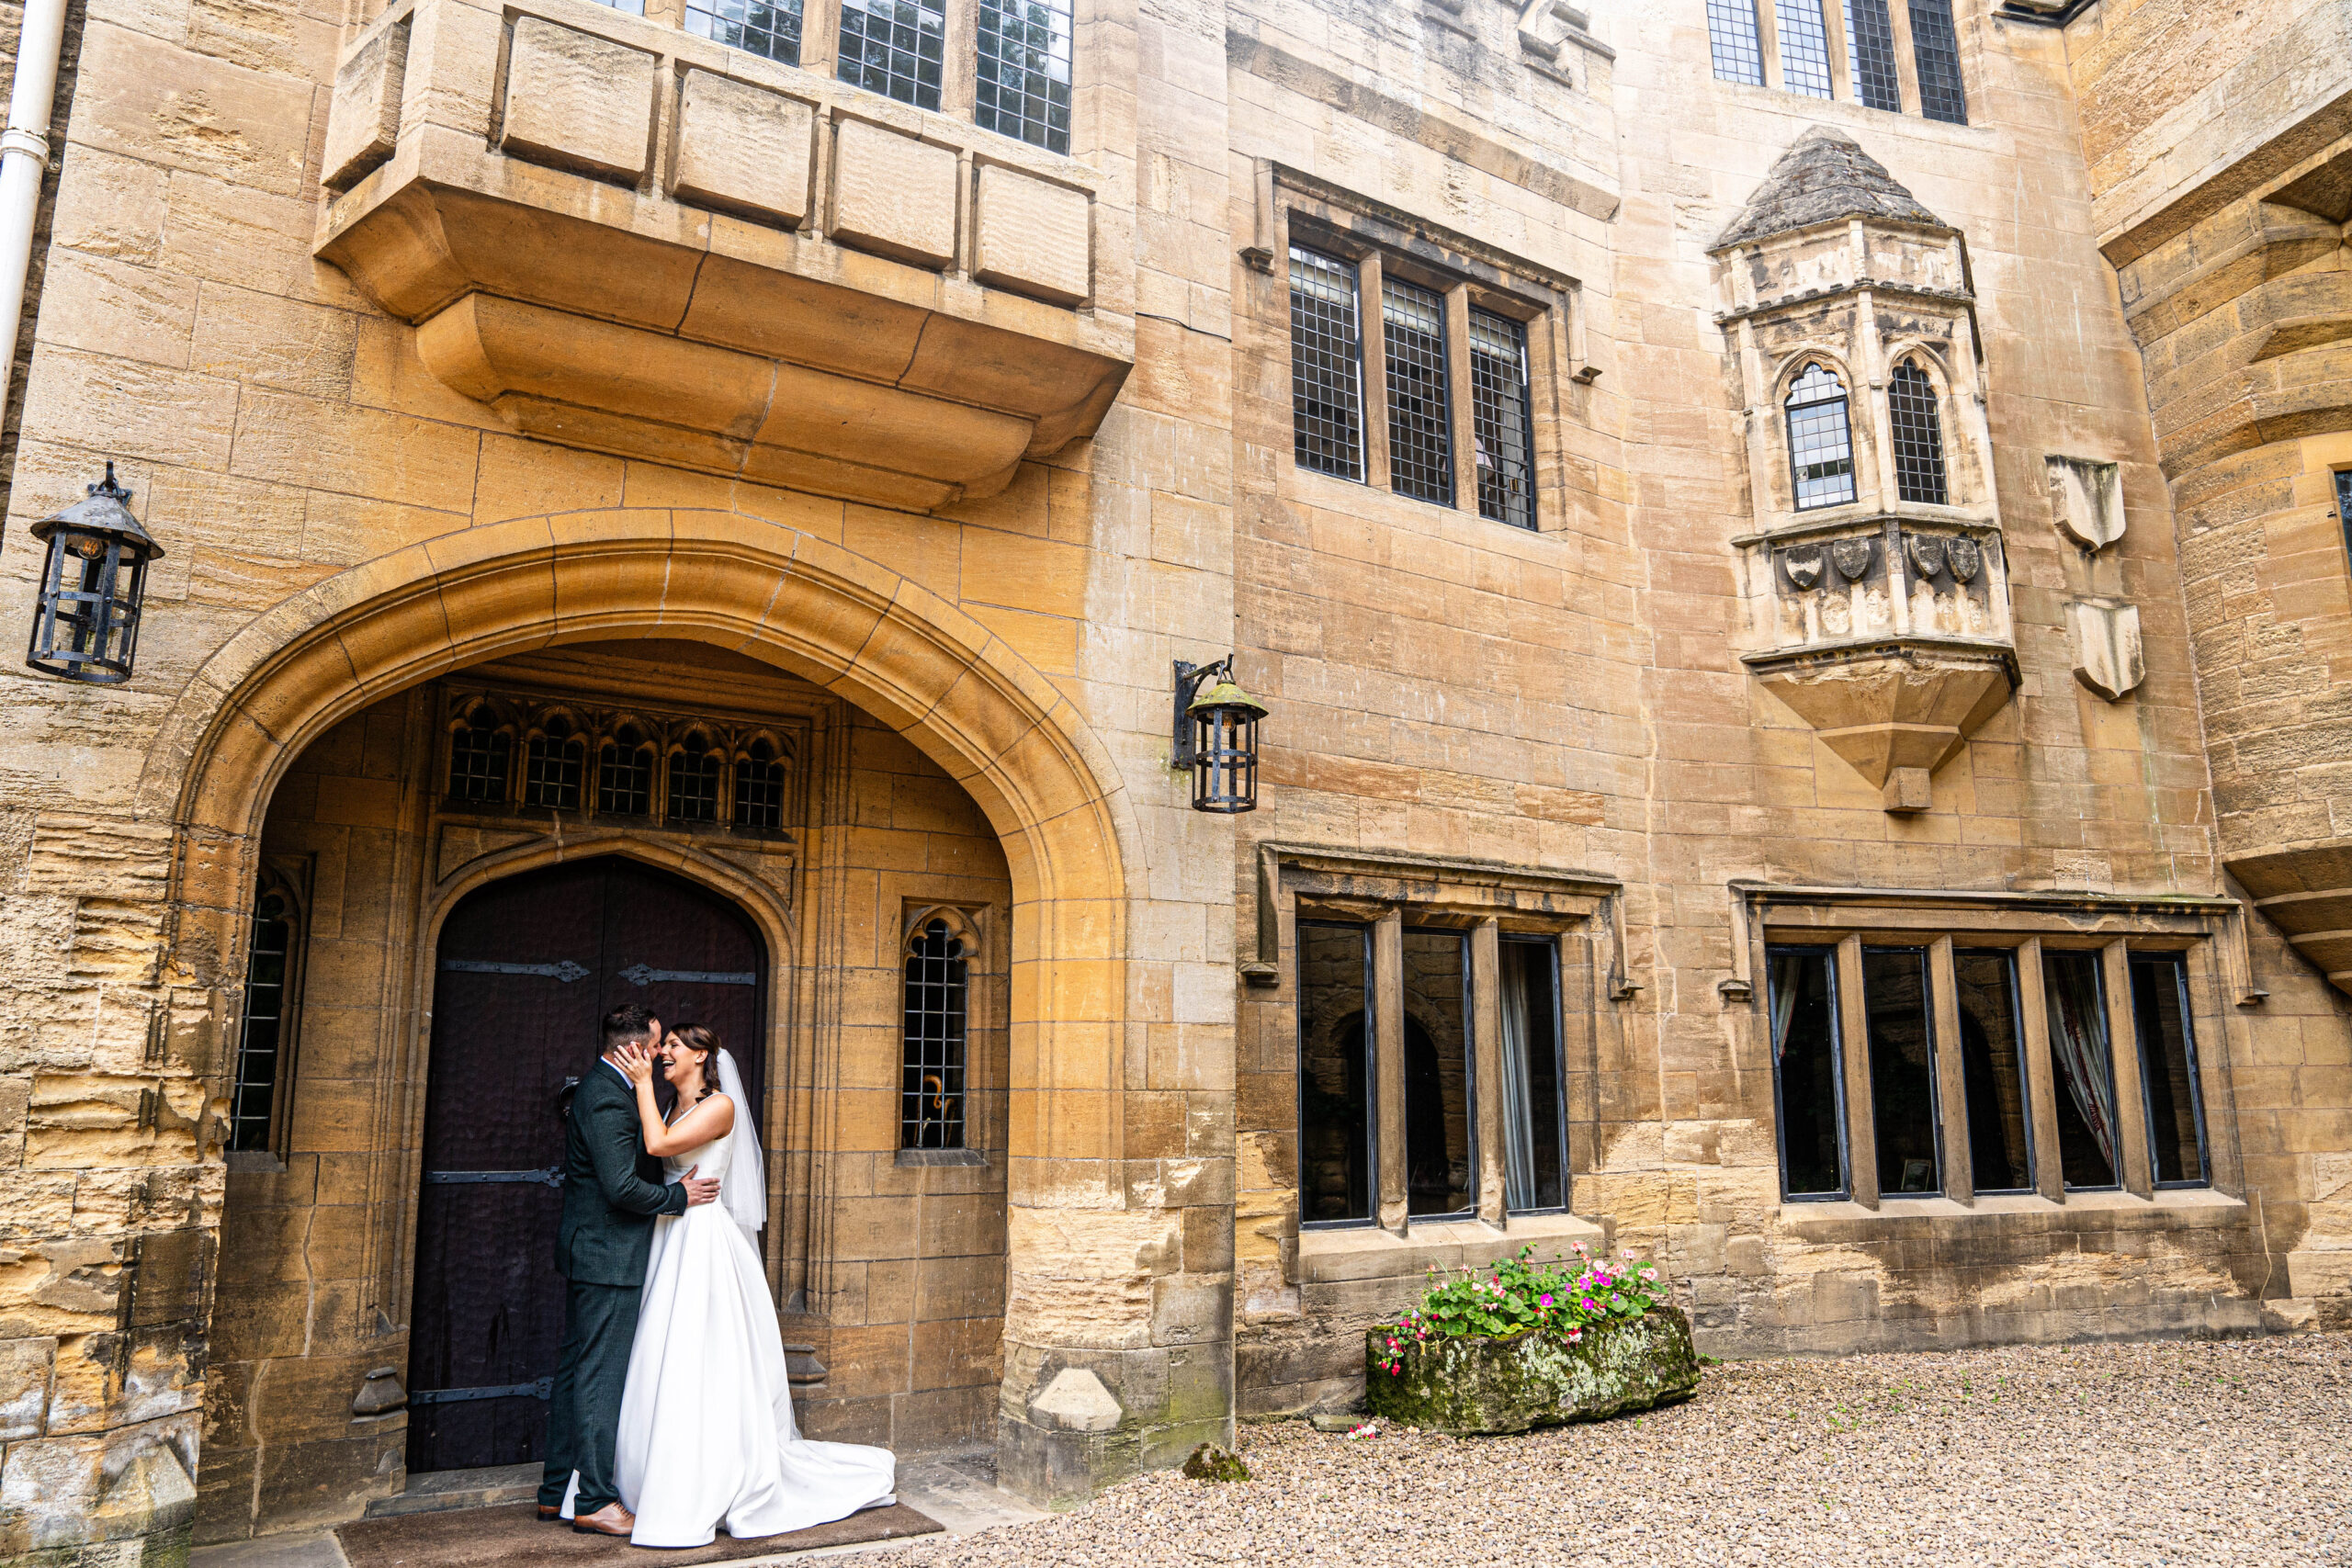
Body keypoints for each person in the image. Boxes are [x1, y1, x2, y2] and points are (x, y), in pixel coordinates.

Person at [600, 1024, 899, 1548]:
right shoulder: (672, 1104)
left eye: (672, 1046)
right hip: (670, 1233)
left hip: (705, 1238)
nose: (663, 1052)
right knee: (662, 1348)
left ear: (701, 1055)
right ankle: (651, 1467)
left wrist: (642, 1084)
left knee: (704, 1347)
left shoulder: (719, 1108)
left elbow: (658, 1144)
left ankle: (713, 1472)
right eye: (661, 1045)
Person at [538, 1004, 723, 1538]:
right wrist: (678, 1196)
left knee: (578, 1370)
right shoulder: (607, 1099)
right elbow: (621, 1187)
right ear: (639, 1045)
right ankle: (594, 1500)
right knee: (598, 1376)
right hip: (606, 1255)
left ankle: (556, 1492)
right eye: (659, 1042)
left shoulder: (614, 1090)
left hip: (595, 1251)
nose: (663, 1051)